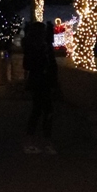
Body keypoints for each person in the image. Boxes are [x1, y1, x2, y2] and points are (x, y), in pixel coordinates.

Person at [23, 19, 58, 153]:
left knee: (46, 111)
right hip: (39, 81)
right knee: (39, 110)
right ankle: (34, 140)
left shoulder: (46, 47)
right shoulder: (34, 48)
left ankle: (44, 140)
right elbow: (27, 65)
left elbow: (53, 65)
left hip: (45, 81)